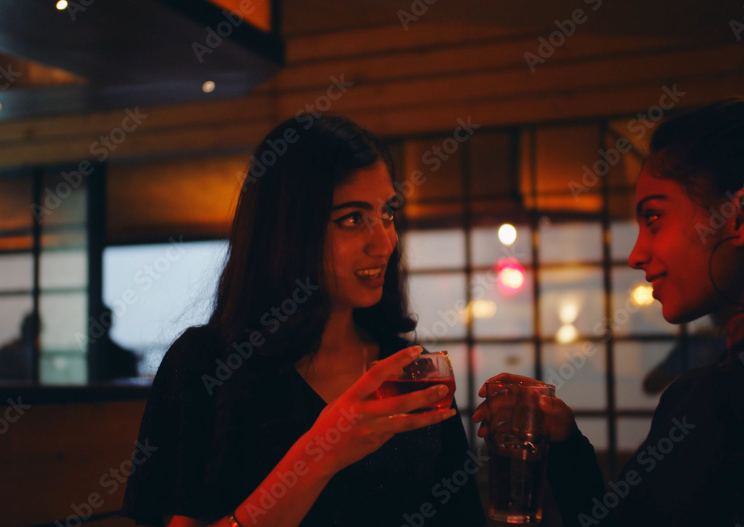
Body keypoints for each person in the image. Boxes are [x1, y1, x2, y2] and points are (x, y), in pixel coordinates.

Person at [474, 89, 744, 526]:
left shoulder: (710, 405)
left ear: (742, 216)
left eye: (653, 217)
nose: (636, 254)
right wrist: (565, 444)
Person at [121, 115, 486, 527]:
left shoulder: (409, 370)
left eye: (387, 213)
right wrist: (319, 454)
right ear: (288, 230)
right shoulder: (206, 365)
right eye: (352, 218)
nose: (384, 242)